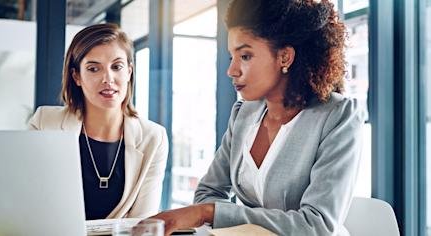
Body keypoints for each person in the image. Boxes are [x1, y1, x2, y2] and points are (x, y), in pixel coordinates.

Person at [149, 0, 363, 235]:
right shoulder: (244, 114)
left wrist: (210, 213)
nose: (232, 70)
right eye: (232, 56)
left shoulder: (337, 116)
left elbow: (316, 225)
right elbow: (208, 192)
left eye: (245, 56)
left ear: (284, 57)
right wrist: (212, 212)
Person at [28, 23, 168, 220]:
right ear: (76, 76)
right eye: (94, 69)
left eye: (117, 67)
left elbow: (142, 221)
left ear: (129, 72)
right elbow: (30, 202)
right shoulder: (45, 123)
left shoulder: (154, 137)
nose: (108, 78)